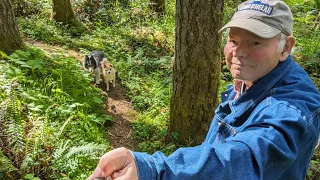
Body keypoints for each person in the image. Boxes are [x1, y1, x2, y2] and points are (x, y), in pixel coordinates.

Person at [87, 0, 320, 179]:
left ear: (285, 47)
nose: (238, 52)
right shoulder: (255, 78)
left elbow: (243, 157)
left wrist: (153, 170)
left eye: (256, 42)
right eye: (234, 41)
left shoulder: (292, 108)